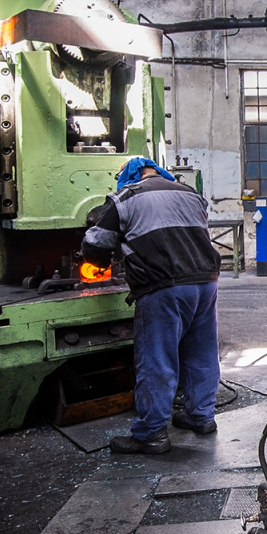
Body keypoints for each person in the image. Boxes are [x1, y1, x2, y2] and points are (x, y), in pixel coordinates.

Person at [83, 157, 223, 454]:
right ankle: (201, 416)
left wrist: (102, 260)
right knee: (201, 353)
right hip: (206, 283)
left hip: (164, 287)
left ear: (128, 175)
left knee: (157, 358)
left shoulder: (124, 197)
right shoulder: (190, 193)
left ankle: (151, 434)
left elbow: (95, 246)